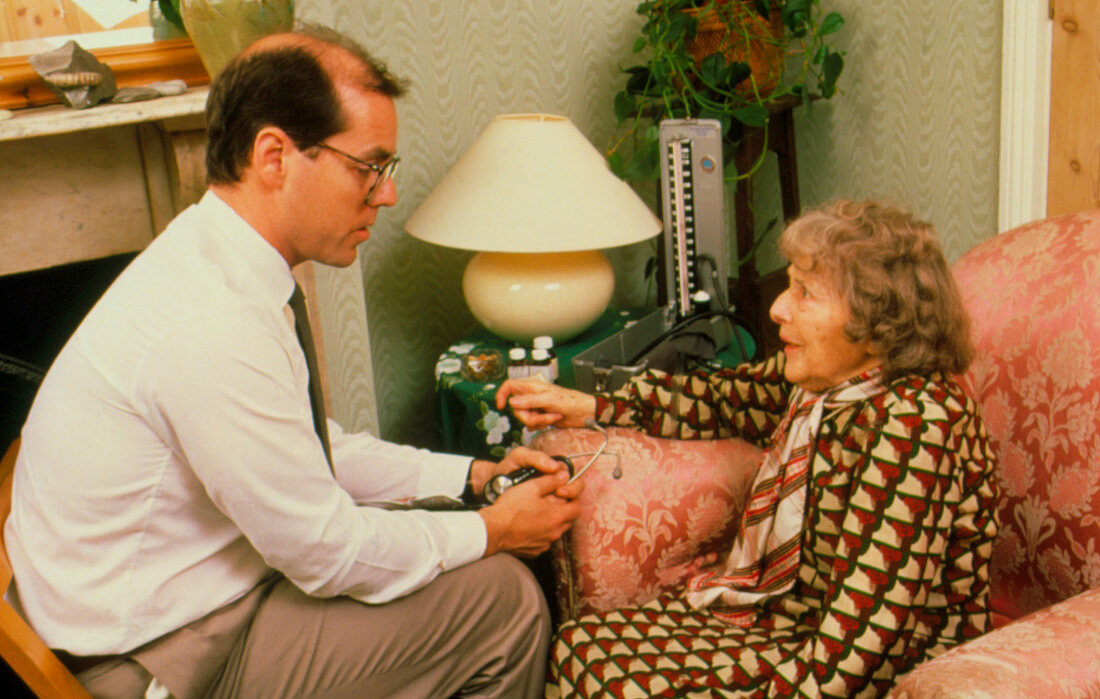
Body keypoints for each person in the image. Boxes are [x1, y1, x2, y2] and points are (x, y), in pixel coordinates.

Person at [4, 25, 583, 699]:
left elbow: (306, 451)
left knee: (455, 556)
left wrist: (472, 475)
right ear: (274, 156)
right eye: (369, 167)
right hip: (154, 662)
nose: (387, 194)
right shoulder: (211, 323)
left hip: (185, 611)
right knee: (501, 599)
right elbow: (324, 549)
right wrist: (491, 529)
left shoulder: (216, 260)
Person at [496, 199, 1000, 697]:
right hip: (787, 616)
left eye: (806, 294)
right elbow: (722, 398)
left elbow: (869, 636)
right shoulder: (829, 380)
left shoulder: (915, 425)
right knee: (581, 646)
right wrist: (590, 406)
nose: (778, 308)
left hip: (866, 661)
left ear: (875, 327)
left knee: (622, 681)